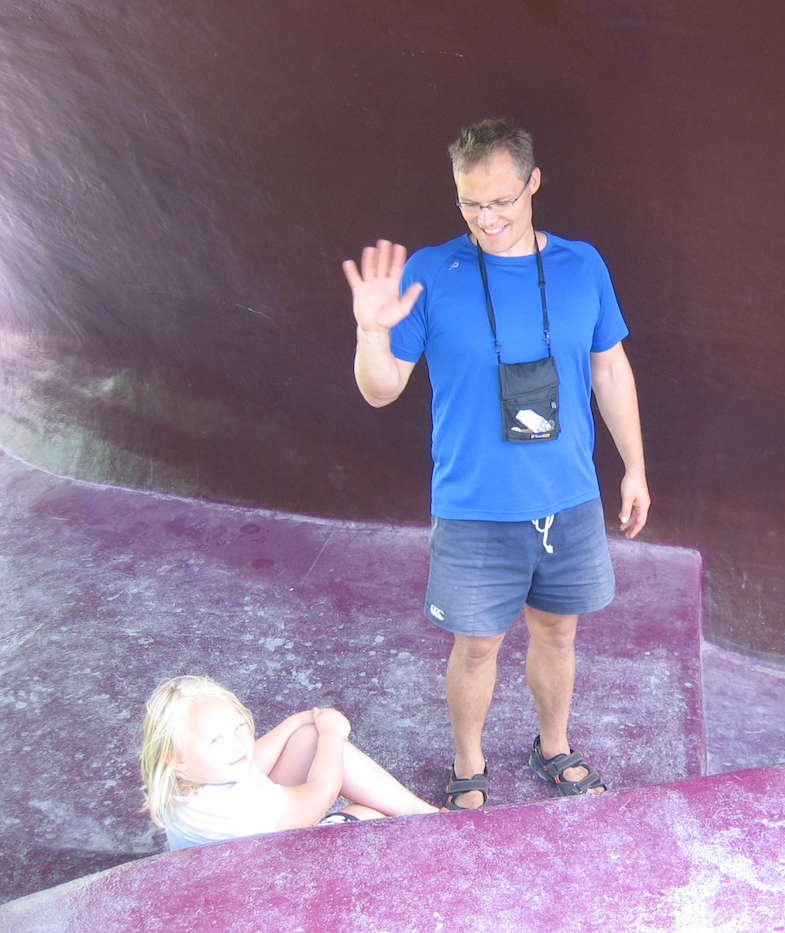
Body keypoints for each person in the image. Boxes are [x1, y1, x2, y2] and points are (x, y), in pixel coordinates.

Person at [342, 118, 649, 809]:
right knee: (477, 646)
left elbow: (610, 368)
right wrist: (370, 331)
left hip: (568, 497)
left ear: (534, 183)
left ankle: (554, 746)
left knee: (558, 632)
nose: (487, 219)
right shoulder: (430, 272)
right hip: (475, 504)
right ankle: (468, 764)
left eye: (502, 201)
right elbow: (380, 389)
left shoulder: (582, 265)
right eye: (471, 203)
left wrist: (634, 466)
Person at [140, 676, 440, 850]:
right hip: (274, 879)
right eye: (216, 741)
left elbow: (253, 761)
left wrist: (297, 721)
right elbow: (320, 793)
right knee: (368, 814)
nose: (237, 744)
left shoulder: (182, 777)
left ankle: (427, 815)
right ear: (176, 761)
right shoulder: (234, 811)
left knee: (307, 738)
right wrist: (333, 734)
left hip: (244, 858)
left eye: (239, 728)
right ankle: (436, 826)